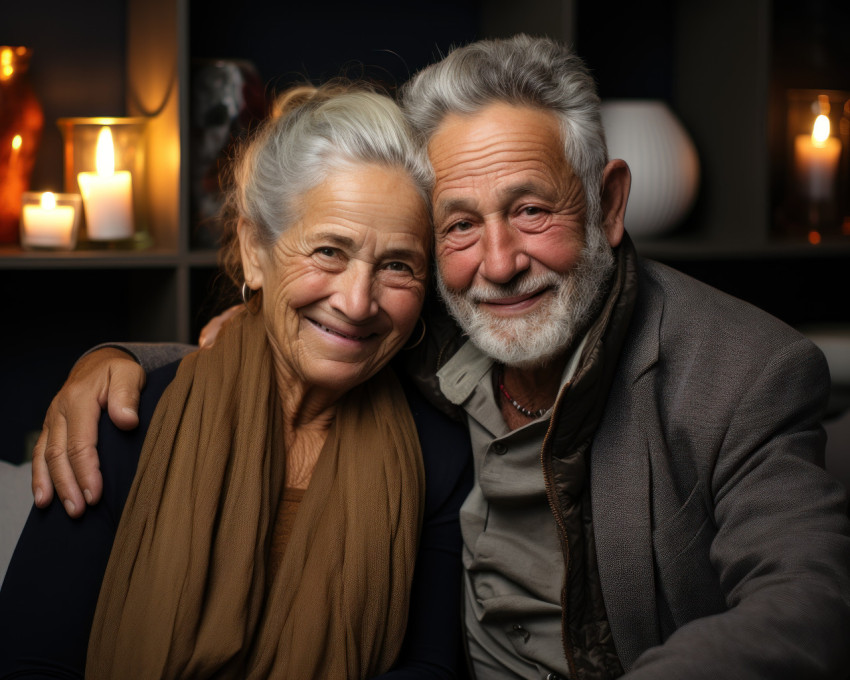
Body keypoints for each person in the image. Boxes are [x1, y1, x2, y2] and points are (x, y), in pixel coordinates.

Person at [24, 35, 850, 679]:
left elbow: (809, 605)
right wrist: (119, 360)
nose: (496, 263)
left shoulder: (746, 372)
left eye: (531, 210)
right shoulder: (433, 330)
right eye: (457, 225)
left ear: (607, 206)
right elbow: (311, 335)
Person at [0, 84, 473, 678]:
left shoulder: (442, 458)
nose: (357, 302)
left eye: (398, 266)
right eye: (328, 251)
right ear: (255, 250)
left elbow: (427, 670)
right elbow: (28, 663)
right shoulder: (121, 420)